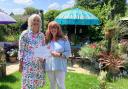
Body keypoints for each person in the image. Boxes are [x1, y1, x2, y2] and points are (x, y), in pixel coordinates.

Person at [18, 14, 45, 89]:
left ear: (40, 23)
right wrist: (20, 64)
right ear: (30, 22)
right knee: (27, 84)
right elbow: (21, 50)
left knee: (35, 84)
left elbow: (42, 49)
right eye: (34, 20)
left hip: (38, 64)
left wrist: (42, 59)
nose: (36, 22)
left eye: (38, 20)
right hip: (28, 64)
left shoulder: (41, 35)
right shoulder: (25, 34)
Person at [45, 21, 71, 89]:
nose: (53, 29)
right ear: (49, 29)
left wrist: (59, 54)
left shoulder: (64, 39)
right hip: (49, 66)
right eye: (51, 28)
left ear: (58, 29)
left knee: (61, 85)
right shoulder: (47, 40)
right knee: (52, 85)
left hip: (60, 66)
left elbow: (68, 53)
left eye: (55, 27)